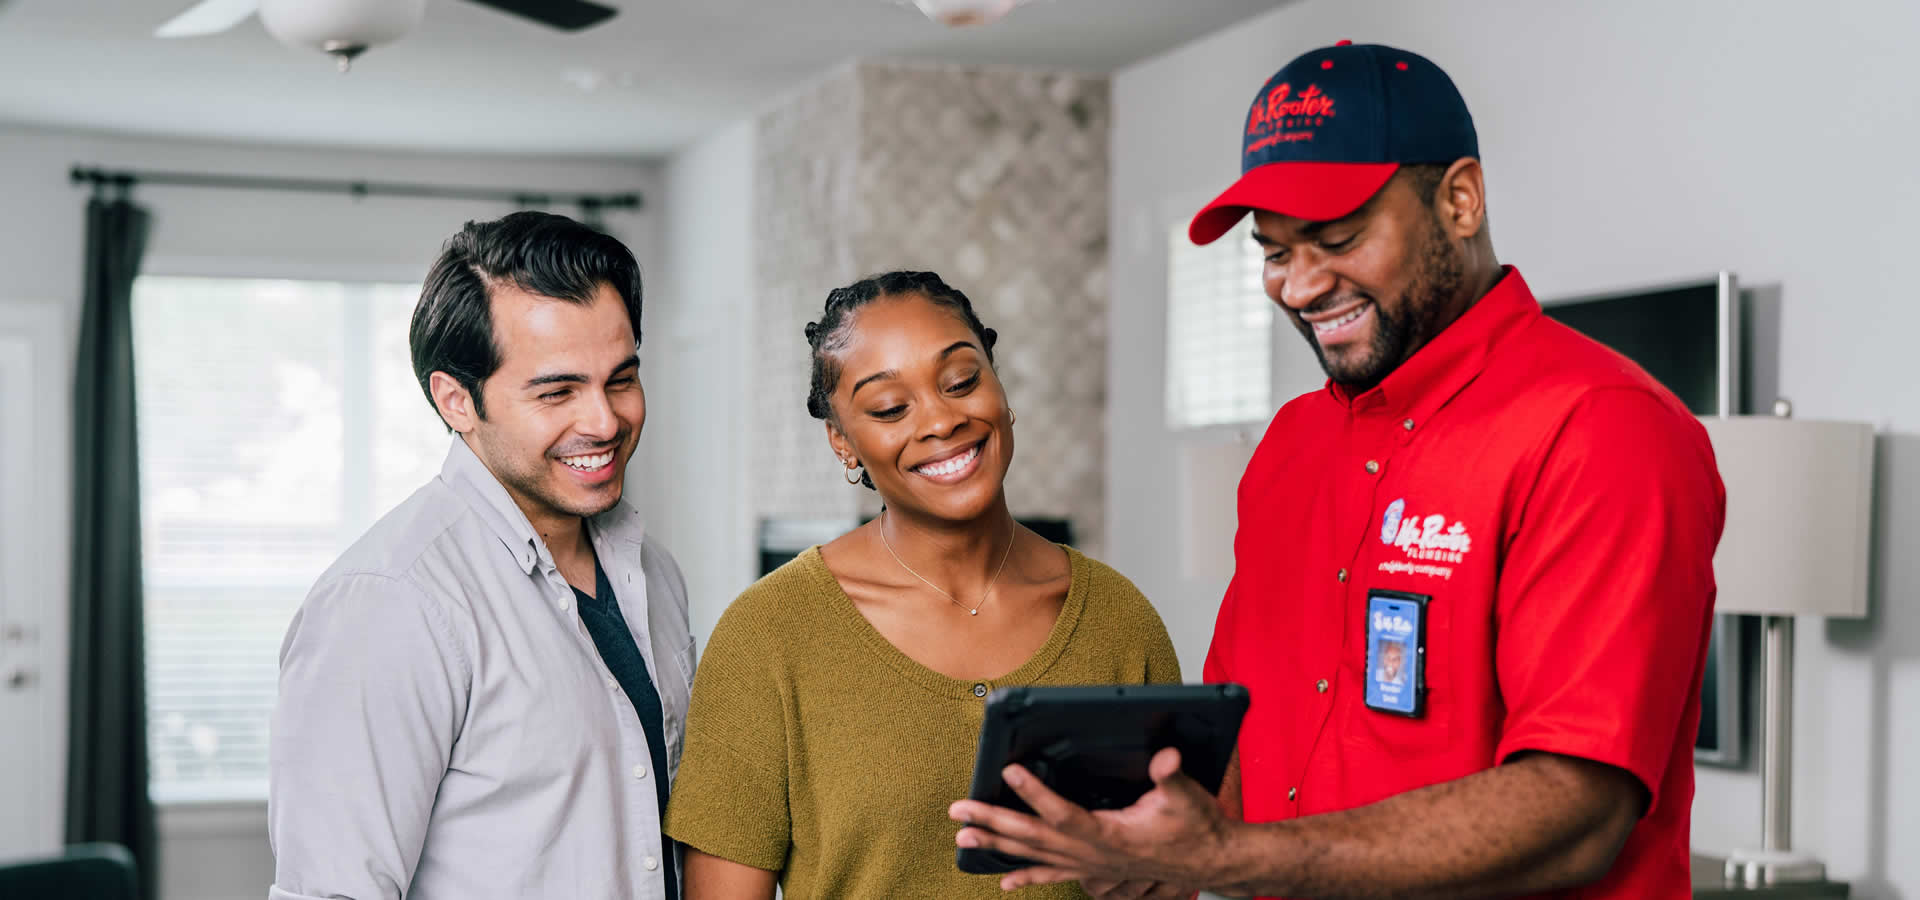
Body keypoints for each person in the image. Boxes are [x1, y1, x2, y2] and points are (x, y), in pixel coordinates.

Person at [949, 41, 1726, 900]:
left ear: (1459, 200)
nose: (1300, 284)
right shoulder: (1290, 444)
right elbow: (1248, 738)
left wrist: (1220, 858)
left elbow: (1578, 808)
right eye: (1275, 252)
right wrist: (1148, 853)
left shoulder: (1601, 429)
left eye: (1339, 237)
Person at [662, 271, 1182, 899]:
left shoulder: (1118, 619)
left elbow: (1172, 874)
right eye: (889, 408)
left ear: (998, 386)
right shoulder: (768, 636)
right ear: (843, 442)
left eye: (962, 381)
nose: (941, 420)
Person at [267, 211, 692, 900]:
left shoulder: (653, 572)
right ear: (456, 399)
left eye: (620, 379)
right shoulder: (390, 603)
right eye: (557, 391)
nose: (605, 421)